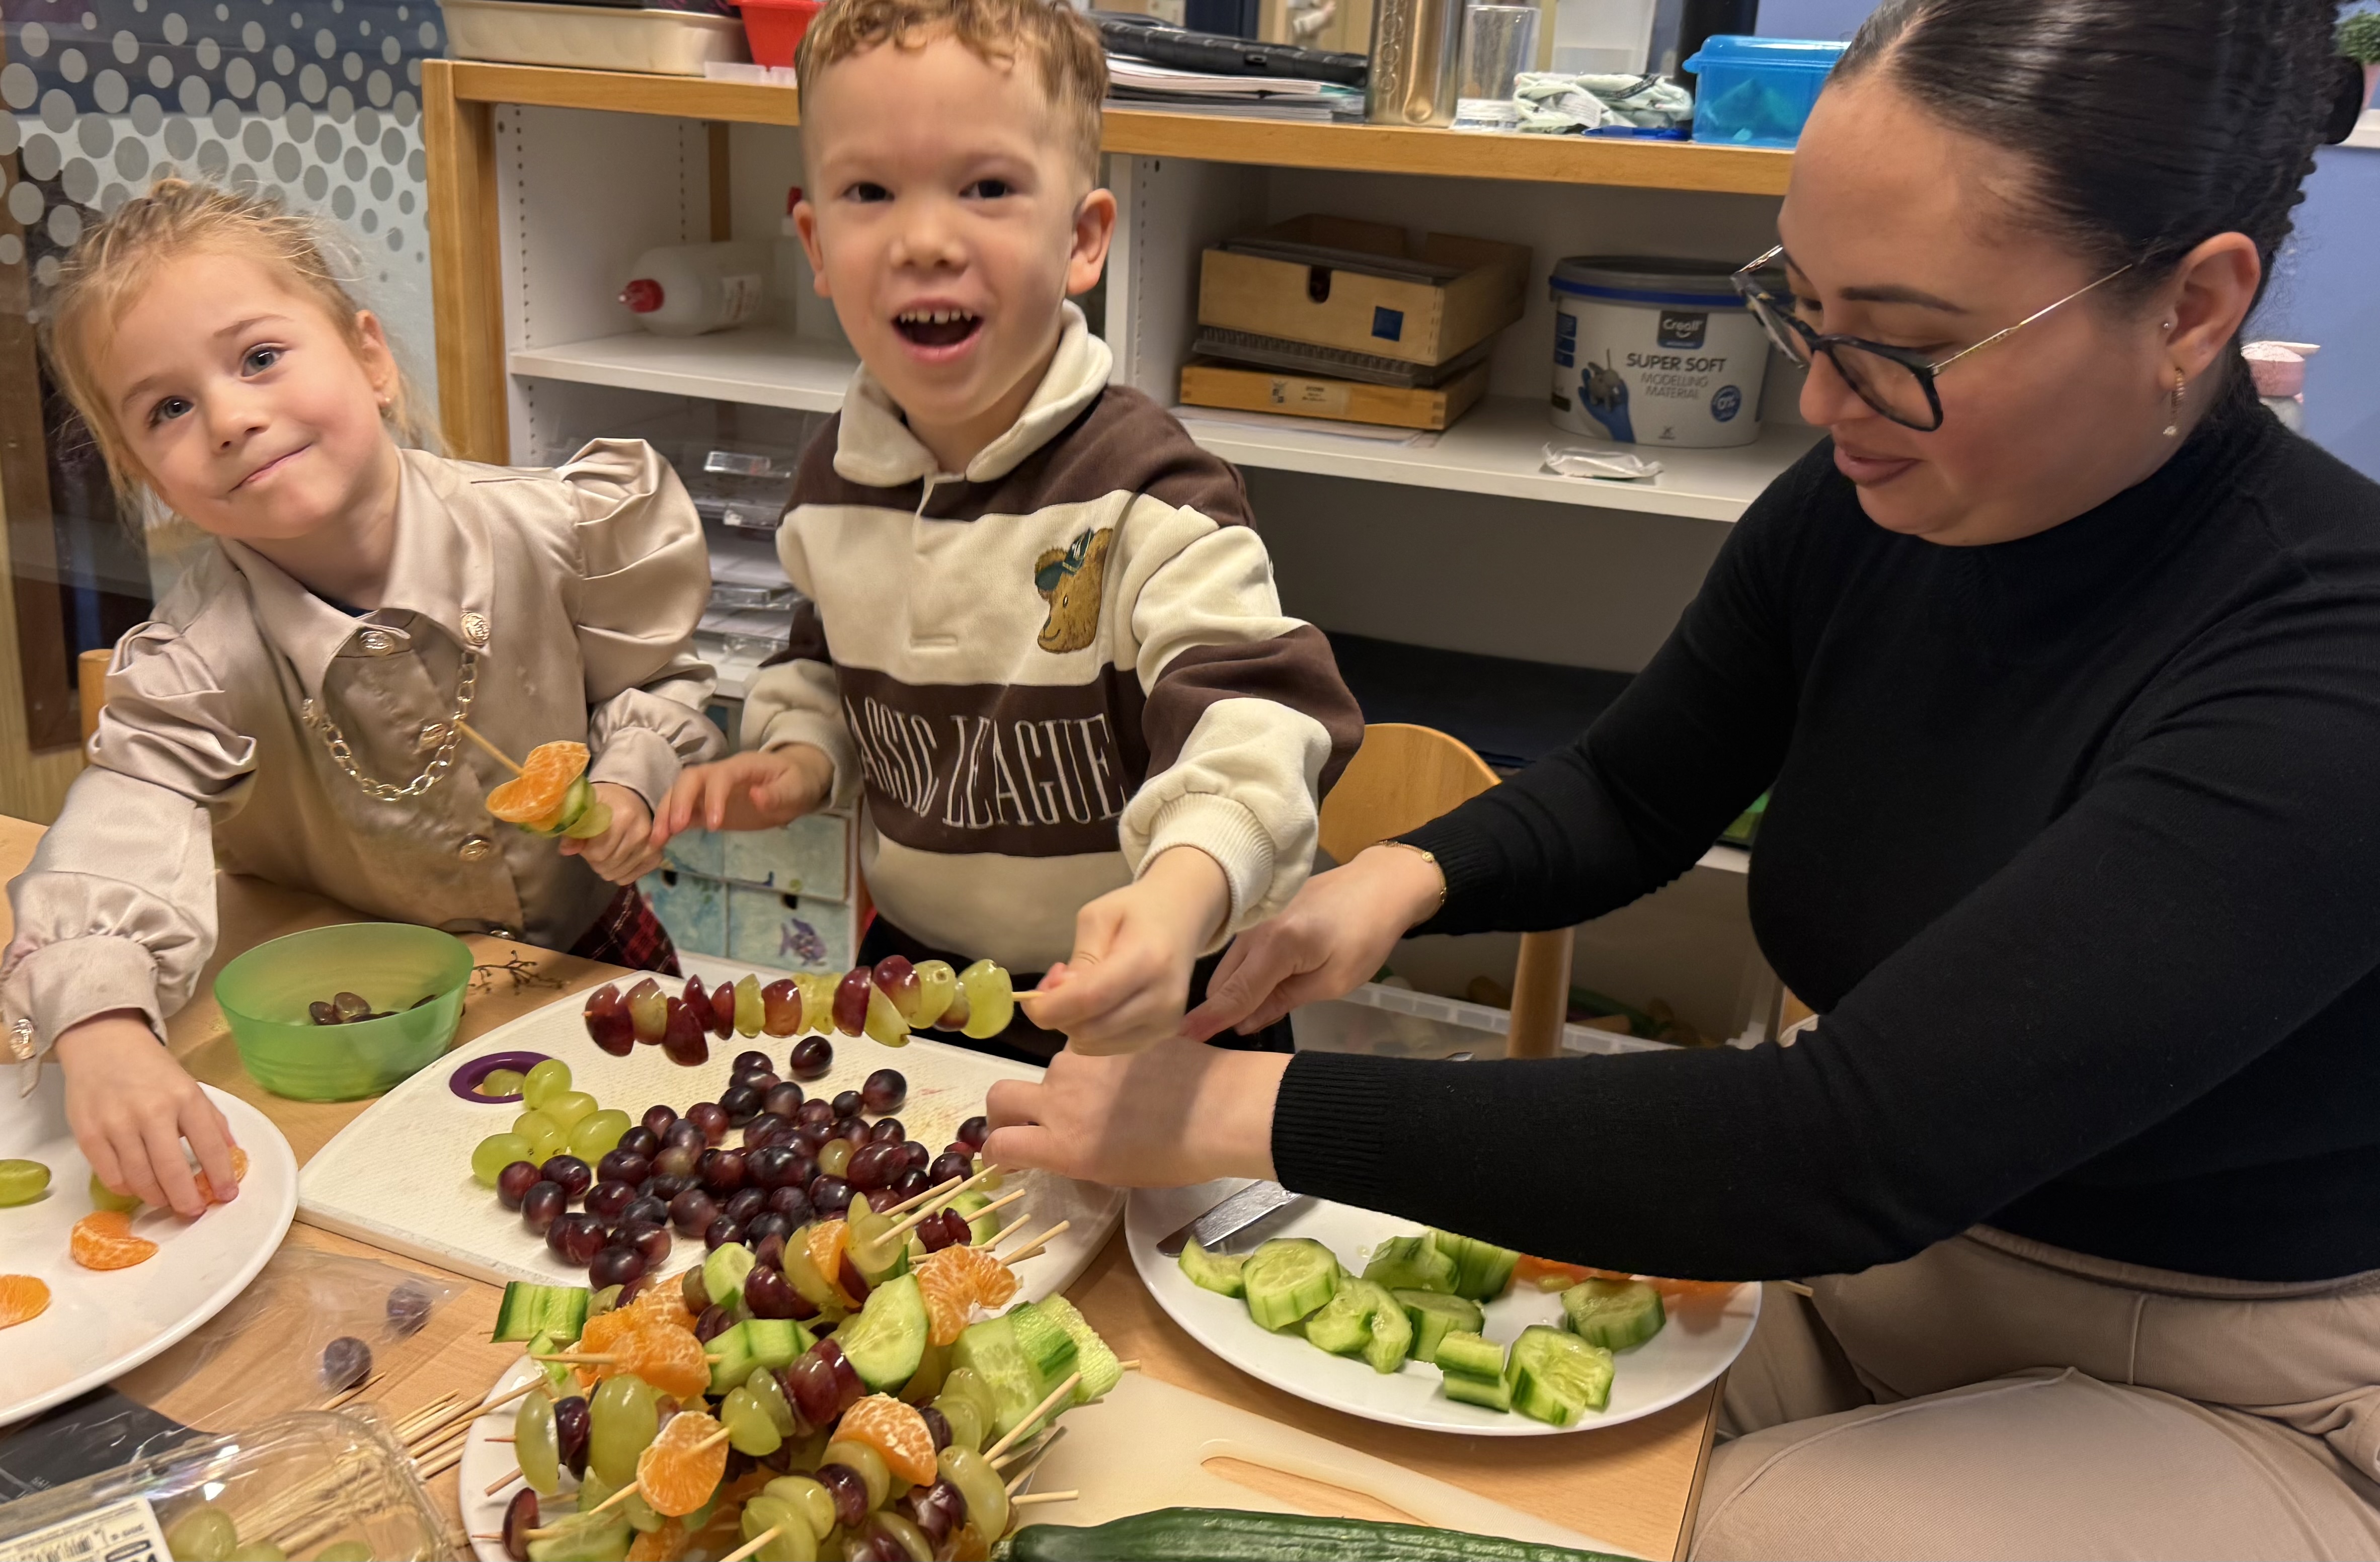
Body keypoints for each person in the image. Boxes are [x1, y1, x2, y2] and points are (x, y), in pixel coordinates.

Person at [982, 1, 2380, 1553]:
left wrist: (1229, 1104)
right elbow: (1639, 792)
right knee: (1301, 1448)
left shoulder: (2330, 664)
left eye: (1906, 346)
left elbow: (1828, 1144)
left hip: (2219, 1377)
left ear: (2193, 307)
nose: (1822, 403)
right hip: (1851, 1276)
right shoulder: (1873, 505)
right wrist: (1388, 884)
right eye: (1805, 305)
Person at [652, 0, 1363, 1063]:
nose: (925, 239)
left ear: (1080, 240)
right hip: (915, 983)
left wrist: (1181, 894)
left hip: (1153, 987)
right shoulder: (831, 480)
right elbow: (827, 653)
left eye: (985, 188)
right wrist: (799, 756)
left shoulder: (1150, 491)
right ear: (814, 243)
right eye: (869, 191)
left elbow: (1257, 719)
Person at [6, 180, 721, 1219]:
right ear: (142, 467)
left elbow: (652, 678)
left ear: (370, 358)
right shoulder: (192, 661)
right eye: (168, 408)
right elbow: (125, 821)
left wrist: (627, 780)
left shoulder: (555, 529)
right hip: (348, 1016)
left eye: (258, 358)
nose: (232, 417)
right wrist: (102, 1022)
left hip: (588, 955)